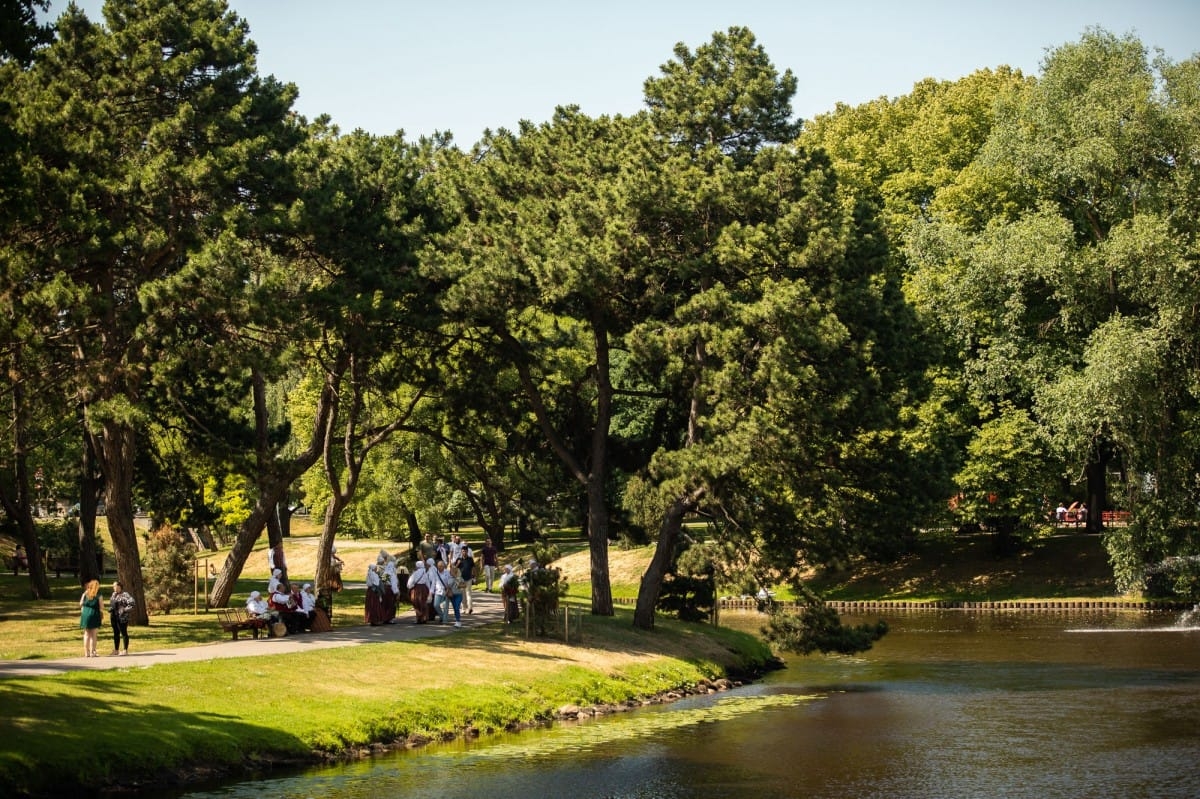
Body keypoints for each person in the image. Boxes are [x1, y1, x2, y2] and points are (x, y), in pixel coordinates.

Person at [107, 581, 135, 656]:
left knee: (123, 632)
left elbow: (132, 603)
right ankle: (116, 650)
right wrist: (111, 609)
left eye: (114, 586)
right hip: (114, 616)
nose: (113, 587)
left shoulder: (125, 594)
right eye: (113, 586)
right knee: (116, 633)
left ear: (119, 587)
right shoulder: (114, 594)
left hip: (122, 617)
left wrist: (124, 610)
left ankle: (125, 650)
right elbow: (113, 604)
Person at [78, 579, 102, 657]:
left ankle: (86, 652)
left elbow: (81, 603)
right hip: (94, 614)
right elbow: (101, 606)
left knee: (86, 634)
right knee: (93, 634)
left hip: (85, 614)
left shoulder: (85, 594)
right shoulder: (98, 595)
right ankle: (93, 652)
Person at [446, 563, 465, 628]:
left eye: (453, 571)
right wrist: (448, 590)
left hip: (458, 595)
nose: (451, 572)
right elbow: (447, 587)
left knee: (457, 607)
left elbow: (464, 585)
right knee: (455, 608)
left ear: (455, 571)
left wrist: (456, 579)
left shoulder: (460, 578)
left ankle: (458, 621)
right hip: (452, 596)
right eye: (451, 571)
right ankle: (457, 620)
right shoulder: (449, 579)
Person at [458, 544, 476, 614]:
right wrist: (457, 564)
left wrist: (474, 576)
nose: (464, 552)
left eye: (465, 551)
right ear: (461, 552)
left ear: (467, 551)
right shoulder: (459, 559)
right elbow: (454, 568)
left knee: (469, 594)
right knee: (462, 594)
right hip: (461, 579)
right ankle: (463, 608)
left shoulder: (470, 559)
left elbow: (473, 568)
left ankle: (470, 608)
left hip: (468, 578)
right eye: (463, 551)